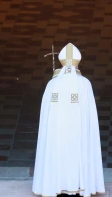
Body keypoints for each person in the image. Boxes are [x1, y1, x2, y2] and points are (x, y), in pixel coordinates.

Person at [32, 43, 105, 197]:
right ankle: (82, 185)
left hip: (56, 131)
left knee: (56, 152)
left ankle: (53, 186)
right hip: (78, 132)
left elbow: (46, 113)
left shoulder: (53, 83)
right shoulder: (85, 83)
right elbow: (89, 113)